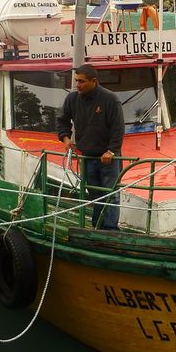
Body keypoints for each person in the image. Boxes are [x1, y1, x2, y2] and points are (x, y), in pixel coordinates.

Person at [56, 64, 124, 230]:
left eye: (81, 81)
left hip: (109, 158)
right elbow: (62, 120)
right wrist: (65, 138)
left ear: (94, 81)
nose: (77, 84)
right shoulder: (72, 99)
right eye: (76, 81)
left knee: (110, 194)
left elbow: (118, 128)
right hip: (87, 157)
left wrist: (111, 151)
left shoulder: (110, 99)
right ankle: (98, 227)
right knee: (94, 195)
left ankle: (110, 231)